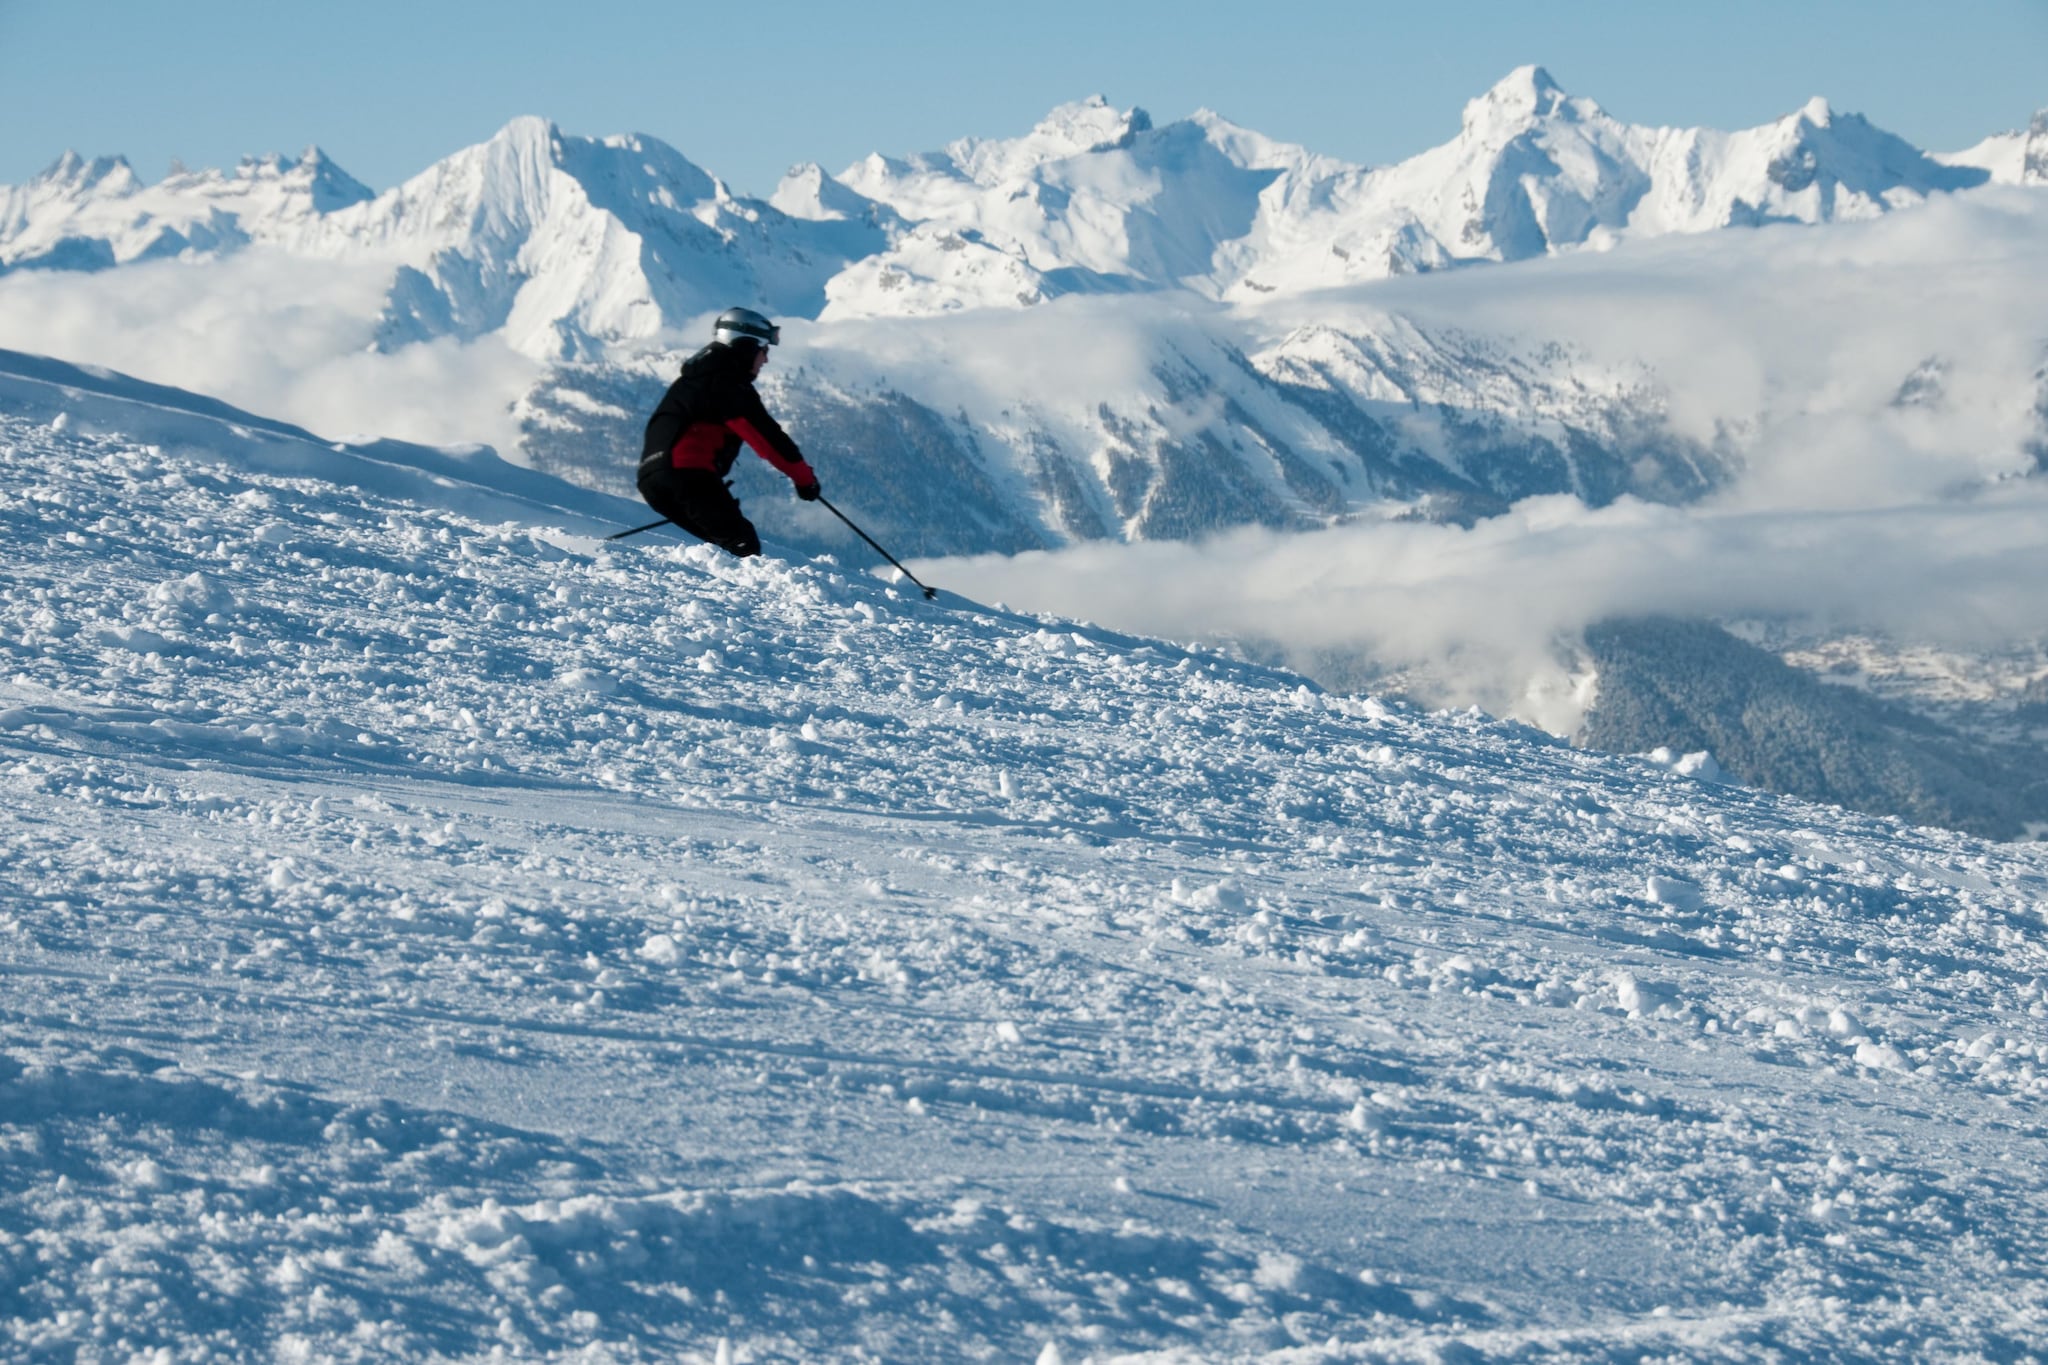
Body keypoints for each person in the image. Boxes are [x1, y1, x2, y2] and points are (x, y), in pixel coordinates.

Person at [637, 307, 820, 558]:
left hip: (652, 479)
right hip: (688, 475)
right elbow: (767, 438)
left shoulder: (695, 378)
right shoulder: (727, 382)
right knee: (742, 546)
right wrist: (804, 479)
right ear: (746, 347)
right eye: (763, 350)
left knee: (719, 551)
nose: (765, 359)